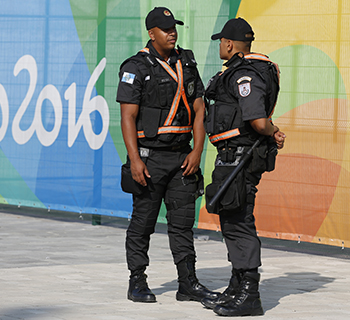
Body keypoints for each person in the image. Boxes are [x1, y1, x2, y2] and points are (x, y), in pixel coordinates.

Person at [116, 7, 218, 303]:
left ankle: (188, 283)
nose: (172, 32)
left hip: (182, 158)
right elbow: (127, 117)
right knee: (143, 223)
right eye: (165, 29)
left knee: (183, 224)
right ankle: (137, 281)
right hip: (149, 159)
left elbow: (200, 109)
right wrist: (135, 159)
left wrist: (198, 151)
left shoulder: (186, 61)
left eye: (174, 27)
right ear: (151, 34)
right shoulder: (136, 67)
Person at [201, 18, 286, 316]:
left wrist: (270, 129)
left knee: (239, 221)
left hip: (240, 158)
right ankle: (237, 286)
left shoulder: (244, 75)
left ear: (228, 43)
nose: (220, 47)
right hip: (235, 156)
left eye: (221, 43)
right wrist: (272, 131)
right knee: (231, 218)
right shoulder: (245, 71)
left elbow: (258, 121)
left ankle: (250, 293)